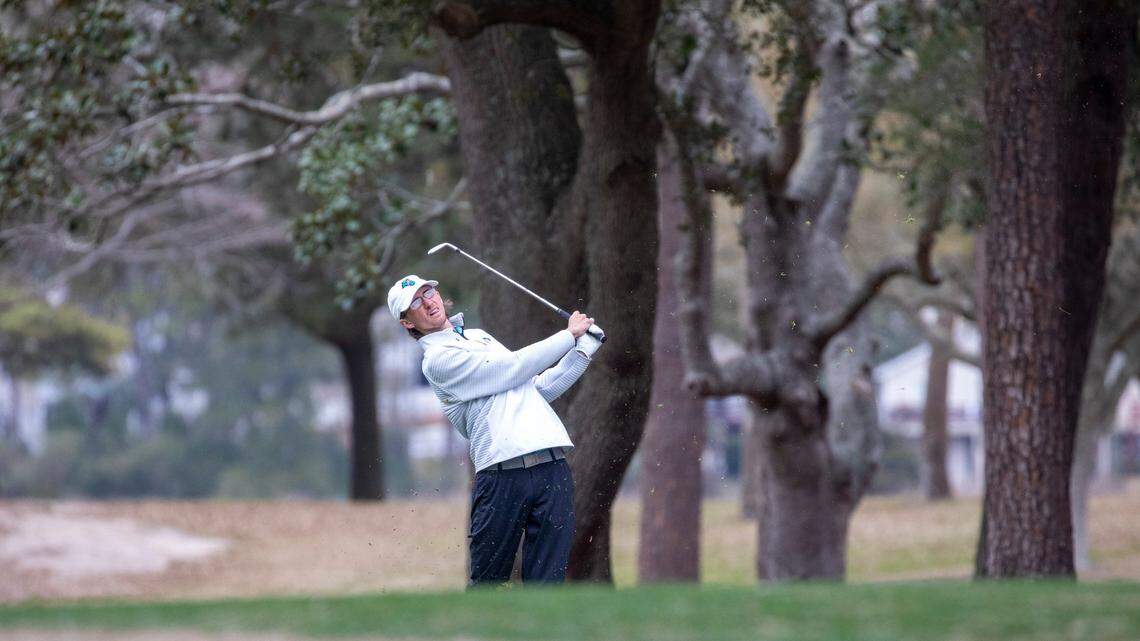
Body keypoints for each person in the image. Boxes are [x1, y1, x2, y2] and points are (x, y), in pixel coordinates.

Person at [388, 274, 602, 586]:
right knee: (487, 583)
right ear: (408, 323)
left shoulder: (478, 336)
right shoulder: (437, 361)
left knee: (548, 584)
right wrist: (568, 336)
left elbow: (534, 390)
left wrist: (583, 349)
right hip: (502, 477)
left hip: (552, 468)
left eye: (428, 292)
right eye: (416, 303)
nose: (428, 302)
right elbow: (511, 369)